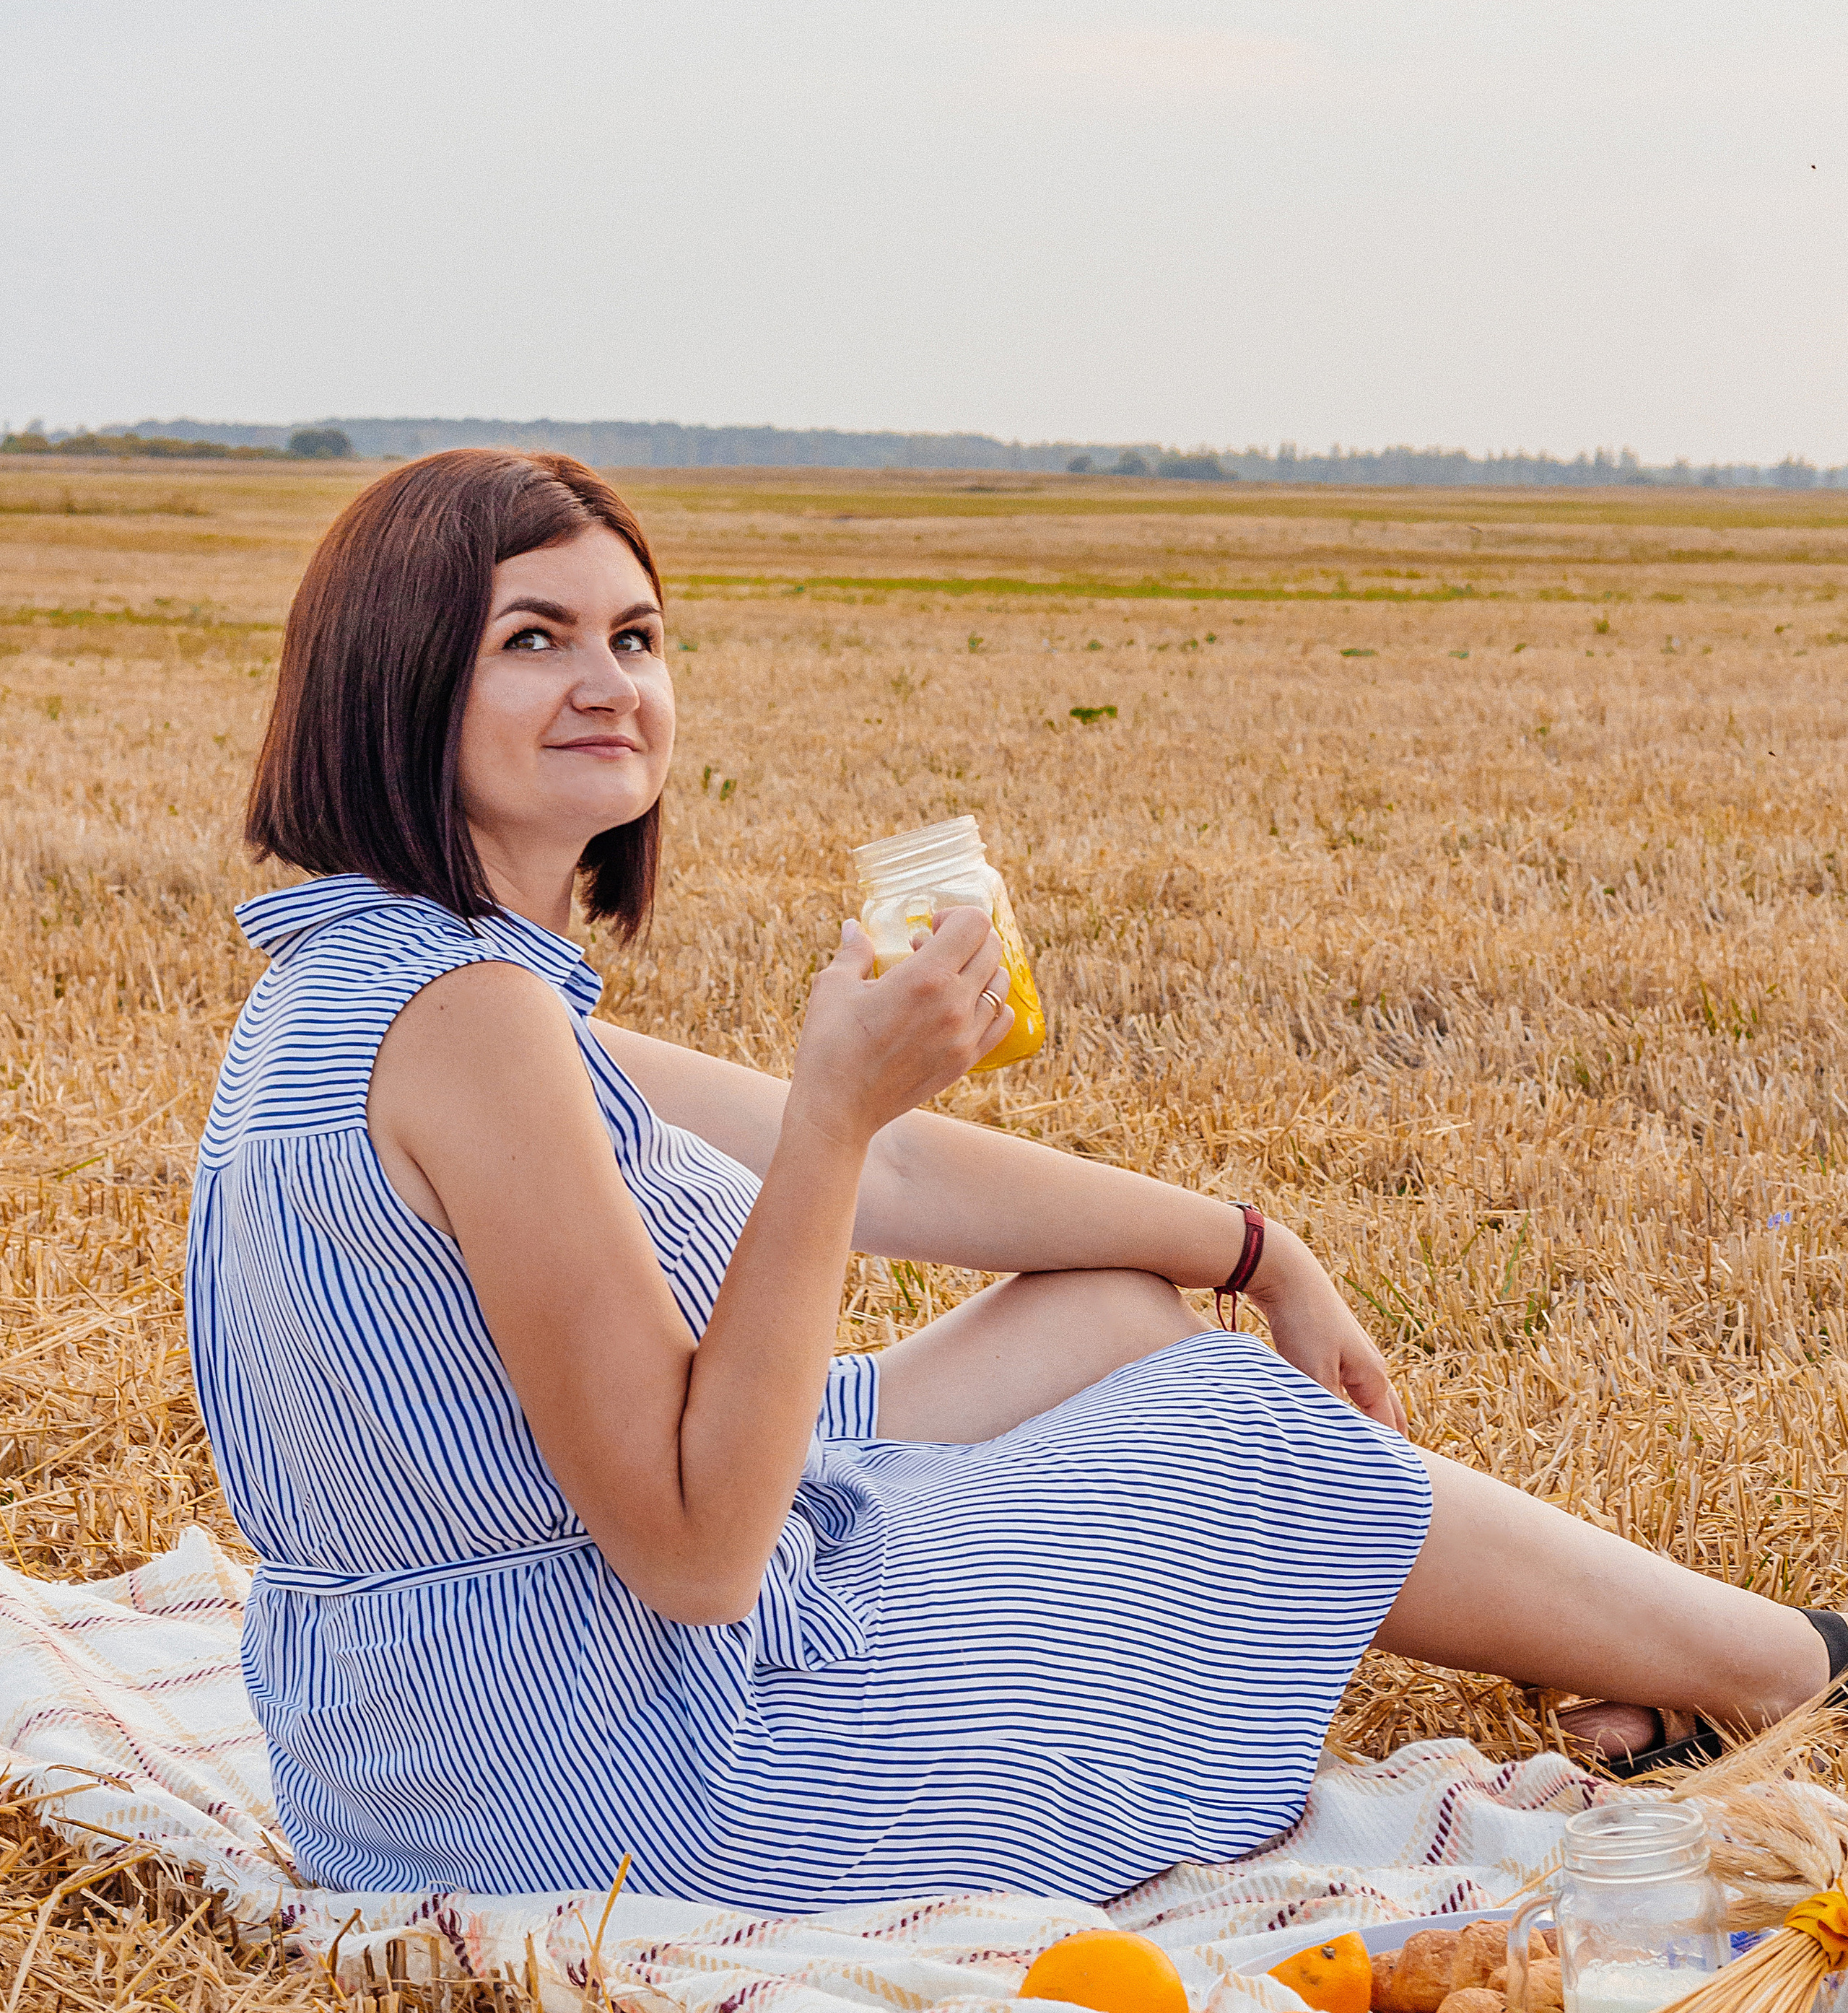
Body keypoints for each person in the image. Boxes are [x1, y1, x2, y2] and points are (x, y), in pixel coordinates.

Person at [185, 450, 1843, 1913]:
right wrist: (835, 1113)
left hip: (404, 1756)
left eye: (635, 635)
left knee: (1114, 1315)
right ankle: (1769, 1668)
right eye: (531, 640)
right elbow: (695, 1551)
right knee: (1234, 1439)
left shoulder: (381, 979)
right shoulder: (474, 1024)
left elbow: (900, 1169)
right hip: (630, 1783)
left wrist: (1256, 1248)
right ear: (397, 684)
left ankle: (1643, 1681)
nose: (608, 681)